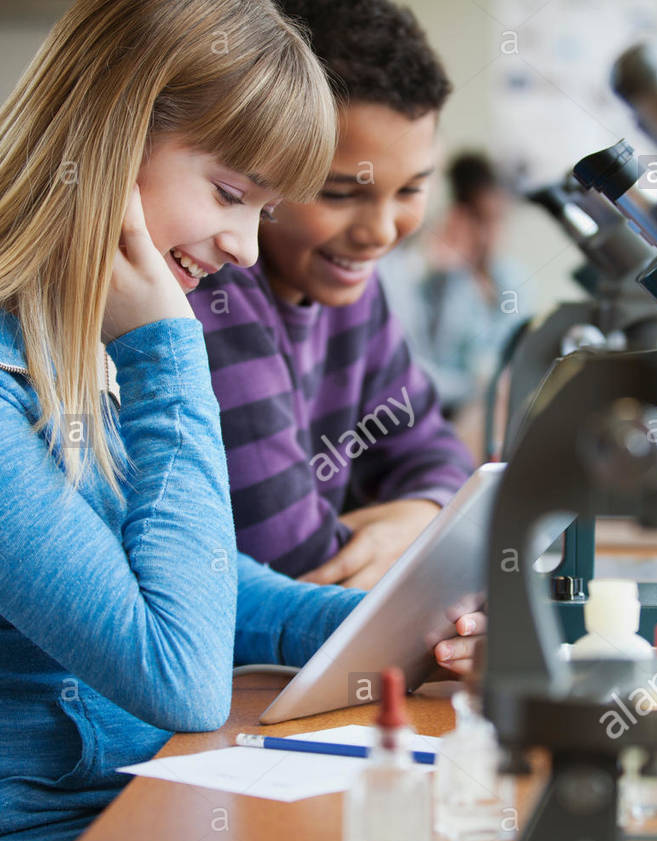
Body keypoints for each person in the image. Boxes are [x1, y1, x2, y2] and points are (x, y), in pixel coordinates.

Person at [0, 0, 479, 841]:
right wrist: (168, 352)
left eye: (265, 209)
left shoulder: (67, 337)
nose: (248, 248)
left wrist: (419, 631)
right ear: (111, 139)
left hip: (120, 814)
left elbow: (220, 593)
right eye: (229, 193)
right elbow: (180, 675)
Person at [189, 0, 474, 592]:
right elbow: (292, 562)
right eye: (340, 194)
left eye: (412, 190)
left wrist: (417, 516)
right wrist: (432, 543)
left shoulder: (352, 292)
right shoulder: (212, 289)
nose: (380, 232)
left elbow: (435, 452)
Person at [385, 152, 527, 417]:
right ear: (459, 217)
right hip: (445, 411)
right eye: (483, 221)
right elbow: (426, 365)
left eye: (499, 220)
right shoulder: (436, 280)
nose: (491, 235)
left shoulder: (511, 279)